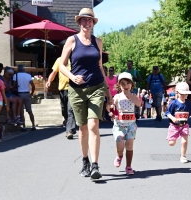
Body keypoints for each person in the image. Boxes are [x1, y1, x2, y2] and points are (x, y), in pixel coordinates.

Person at [59, 8, 112, 181]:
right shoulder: (71, 40)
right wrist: (72, 76)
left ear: (93, 23)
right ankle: (85, 161)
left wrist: (108, 92)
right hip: (77, 90)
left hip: (96, 87)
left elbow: (99, 67)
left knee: (93, 125)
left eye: (89, 20)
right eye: (83, 20)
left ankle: (95, 165)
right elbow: (62, 65)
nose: (86, 23)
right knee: (82, 128)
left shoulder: (98, 42)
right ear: (79, 22)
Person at [108, 72, 141, 175]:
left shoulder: (133, 95)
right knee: (120, 147)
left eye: (128, 83)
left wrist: (130, 95)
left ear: (132, 85)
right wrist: (111, 109)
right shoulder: (117, 96)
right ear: (119, 85)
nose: (126, 86)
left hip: (131, 125)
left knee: (130, 145)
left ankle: (129, 166)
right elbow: (110, 106)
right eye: (123, 84)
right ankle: (119, 156)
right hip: (120, 125)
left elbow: (138, 104)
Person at [165, 82, 191, 163]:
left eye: (185, 94)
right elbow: (167, 112)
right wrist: (172, 118)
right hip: (174, 126)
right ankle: (172, 137)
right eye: (182, 94)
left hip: (184, 125)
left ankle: (183, 156)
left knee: (184, 141)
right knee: (171, 143)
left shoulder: (188, 103)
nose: (184, 96)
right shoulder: (174, 103)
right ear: (177, 93)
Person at [46, 57, 77, 139]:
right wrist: (49, 81)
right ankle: (71, 126)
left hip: (72, 88)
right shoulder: (59, 60)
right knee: (64, 110)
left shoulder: (74, 59)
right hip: (62, 89)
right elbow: (54, 72)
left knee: (70, 109)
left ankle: (69, 131)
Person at [13, 65, 36, 131]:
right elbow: (33, 86)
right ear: (24, 69)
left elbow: (14, 86)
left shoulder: (16, 75)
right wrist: (31, 93)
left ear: (18, 69)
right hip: (27, 93)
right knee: (29, 110)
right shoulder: (28, 75)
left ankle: (24, 126)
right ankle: (33, 125)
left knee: (21, 111)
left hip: (19, 94)